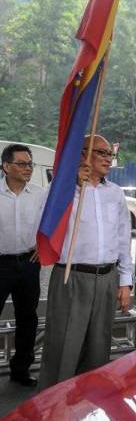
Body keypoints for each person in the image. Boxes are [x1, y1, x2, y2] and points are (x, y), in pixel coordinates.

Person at [38, 135, 132, 390]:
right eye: (102, 153)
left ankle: (90, 406)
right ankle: (53, 408)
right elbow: (41, 219)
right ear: (82, 154)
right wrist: (69, 185)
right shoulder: (62, 189)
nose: (108, 159)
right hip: (72, 277)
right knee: (63, 349)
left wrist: (125, 282)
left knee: (98, 350)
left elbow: (123, 239)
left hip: (106, 279)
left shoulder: (115, 193)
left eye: (110, 154)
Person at [0, 144, 45, 386]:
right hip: (1, 264)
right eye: (22, 164)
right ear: (5, 166)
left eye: (30, 164)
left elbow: (48, 225)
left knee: (27, 319)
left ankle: (20, 370)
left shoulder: (39, 194)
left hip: (28, 263)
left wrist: (42, 245)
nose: (28, 168)